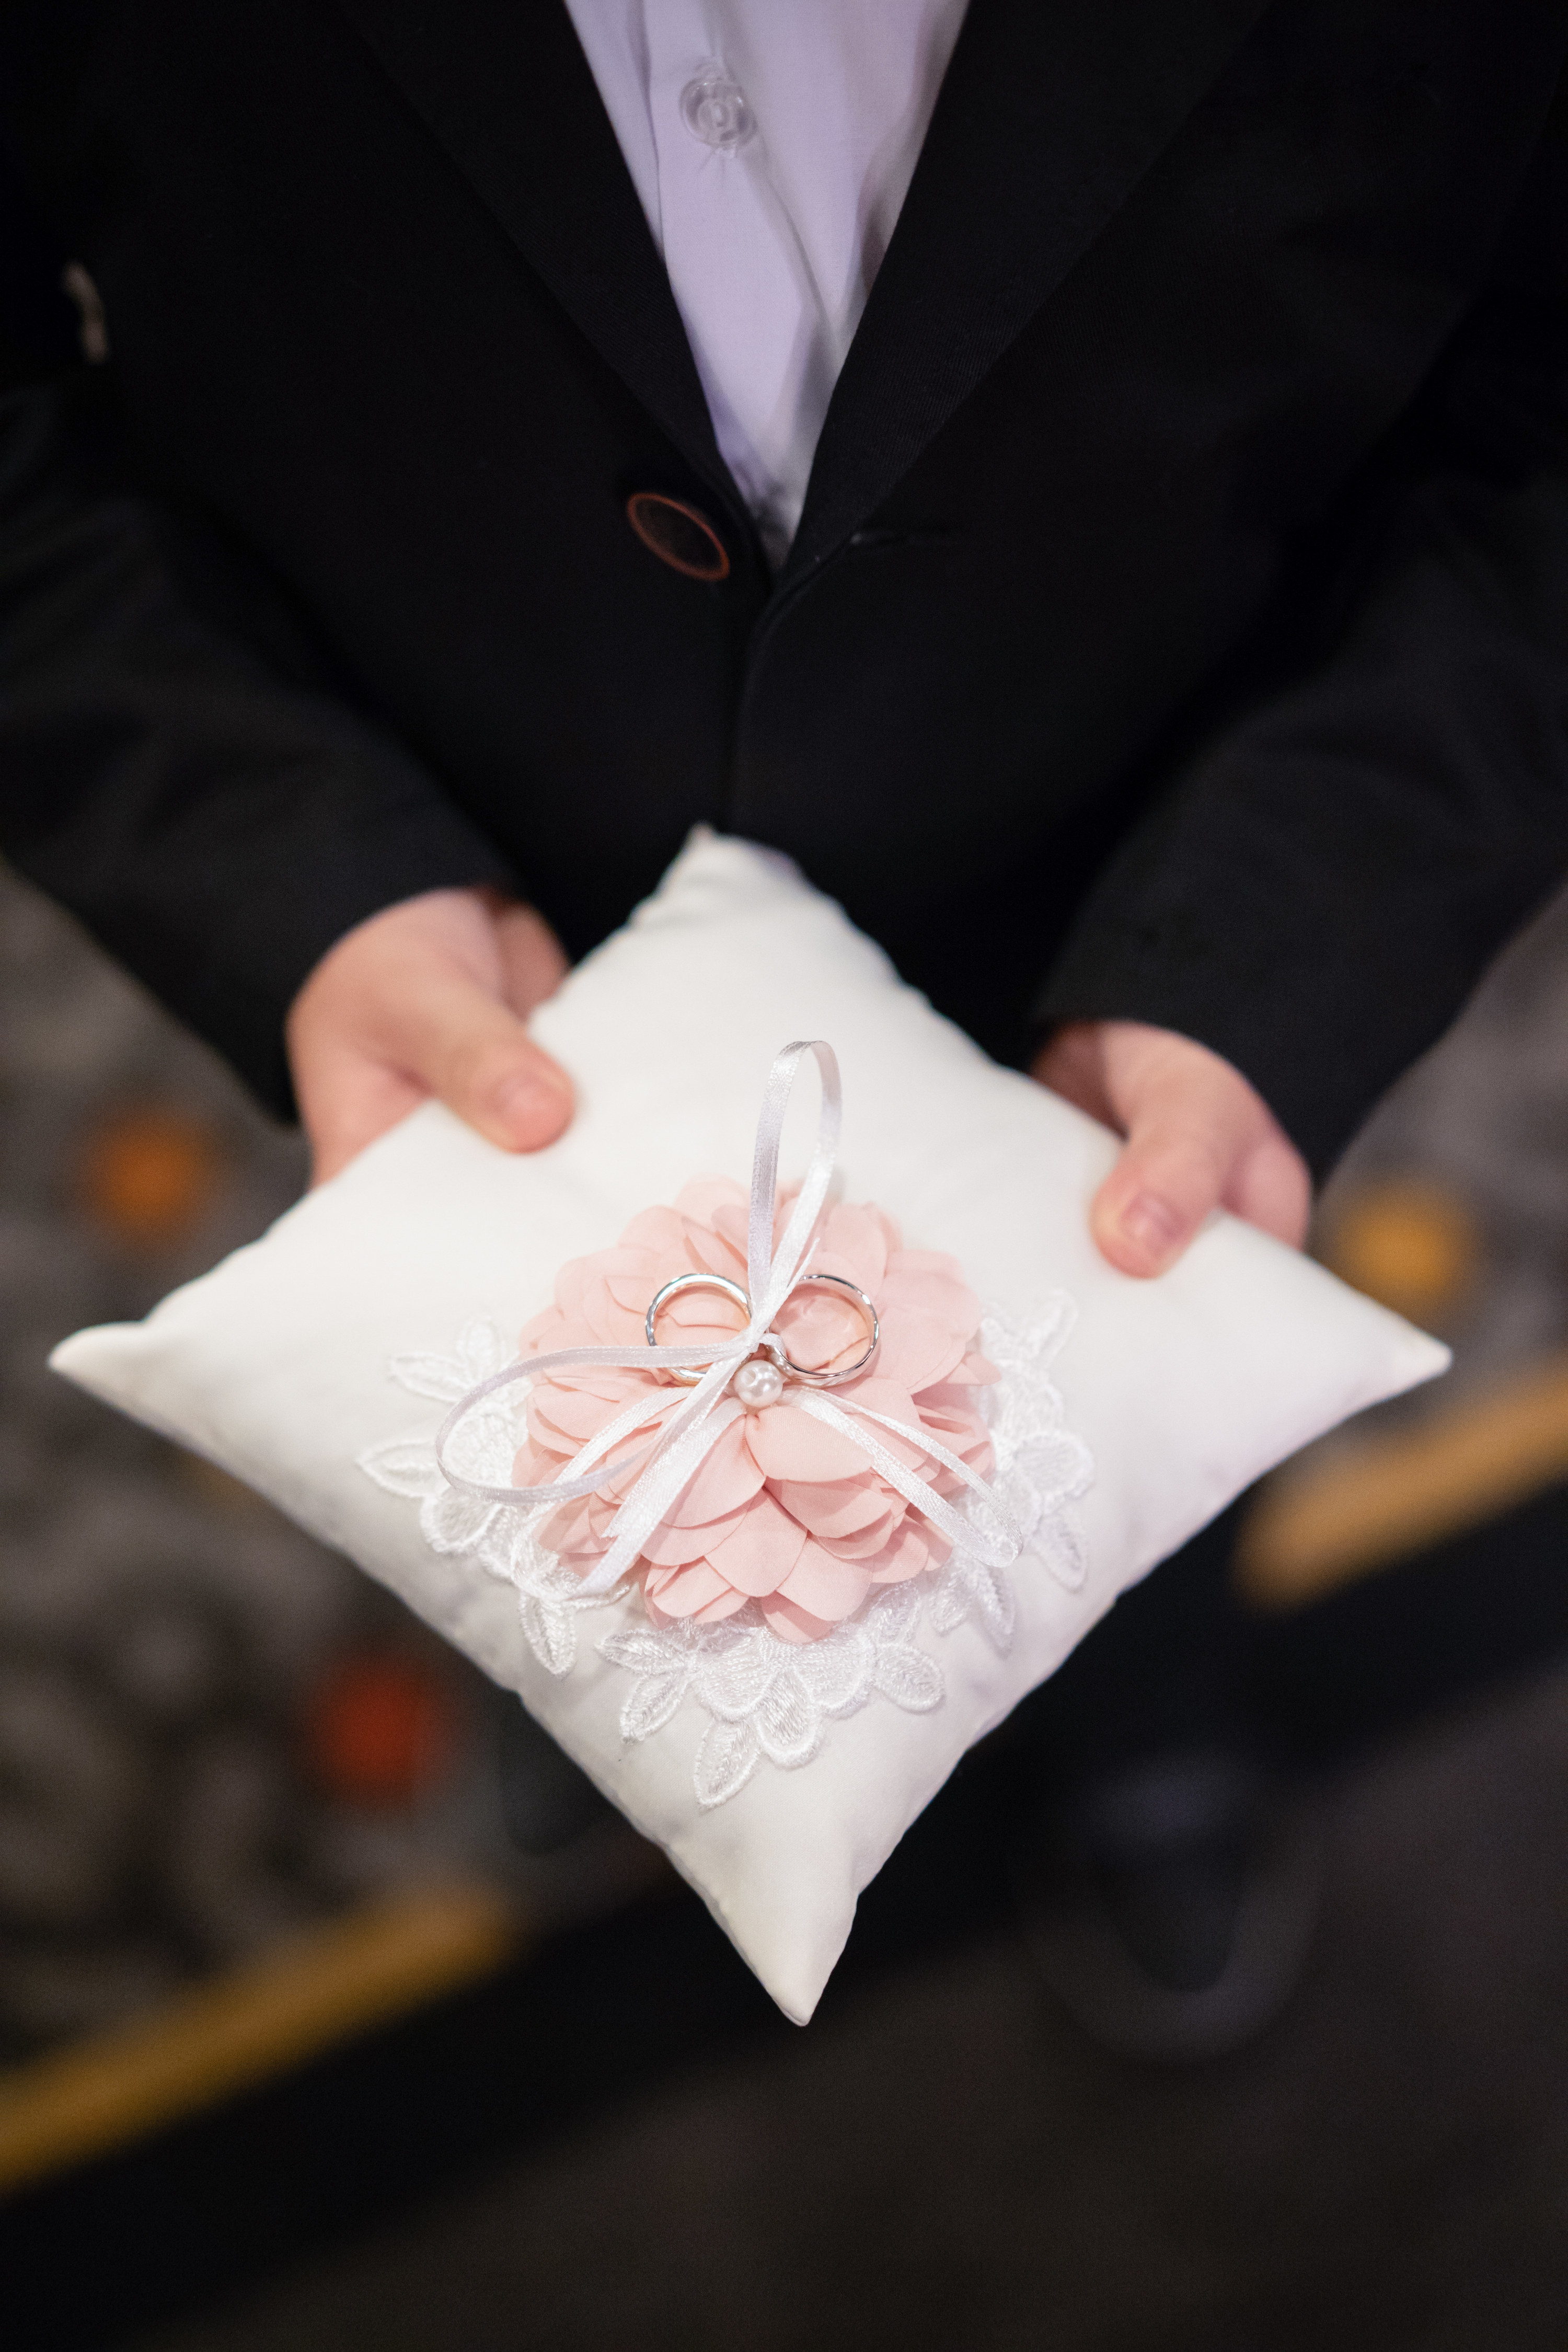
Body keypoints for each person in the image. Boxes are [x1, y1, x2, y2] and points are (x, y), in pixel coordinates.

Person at [3, 1, 1566, 2048]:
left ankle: (1144, 1712)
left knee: (1149, 1381)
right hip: (455, 880)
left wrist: (1285, 941)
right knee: (501, 1428)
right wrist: (287, 871)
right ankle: (581, 1670)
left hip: (1175, 825)